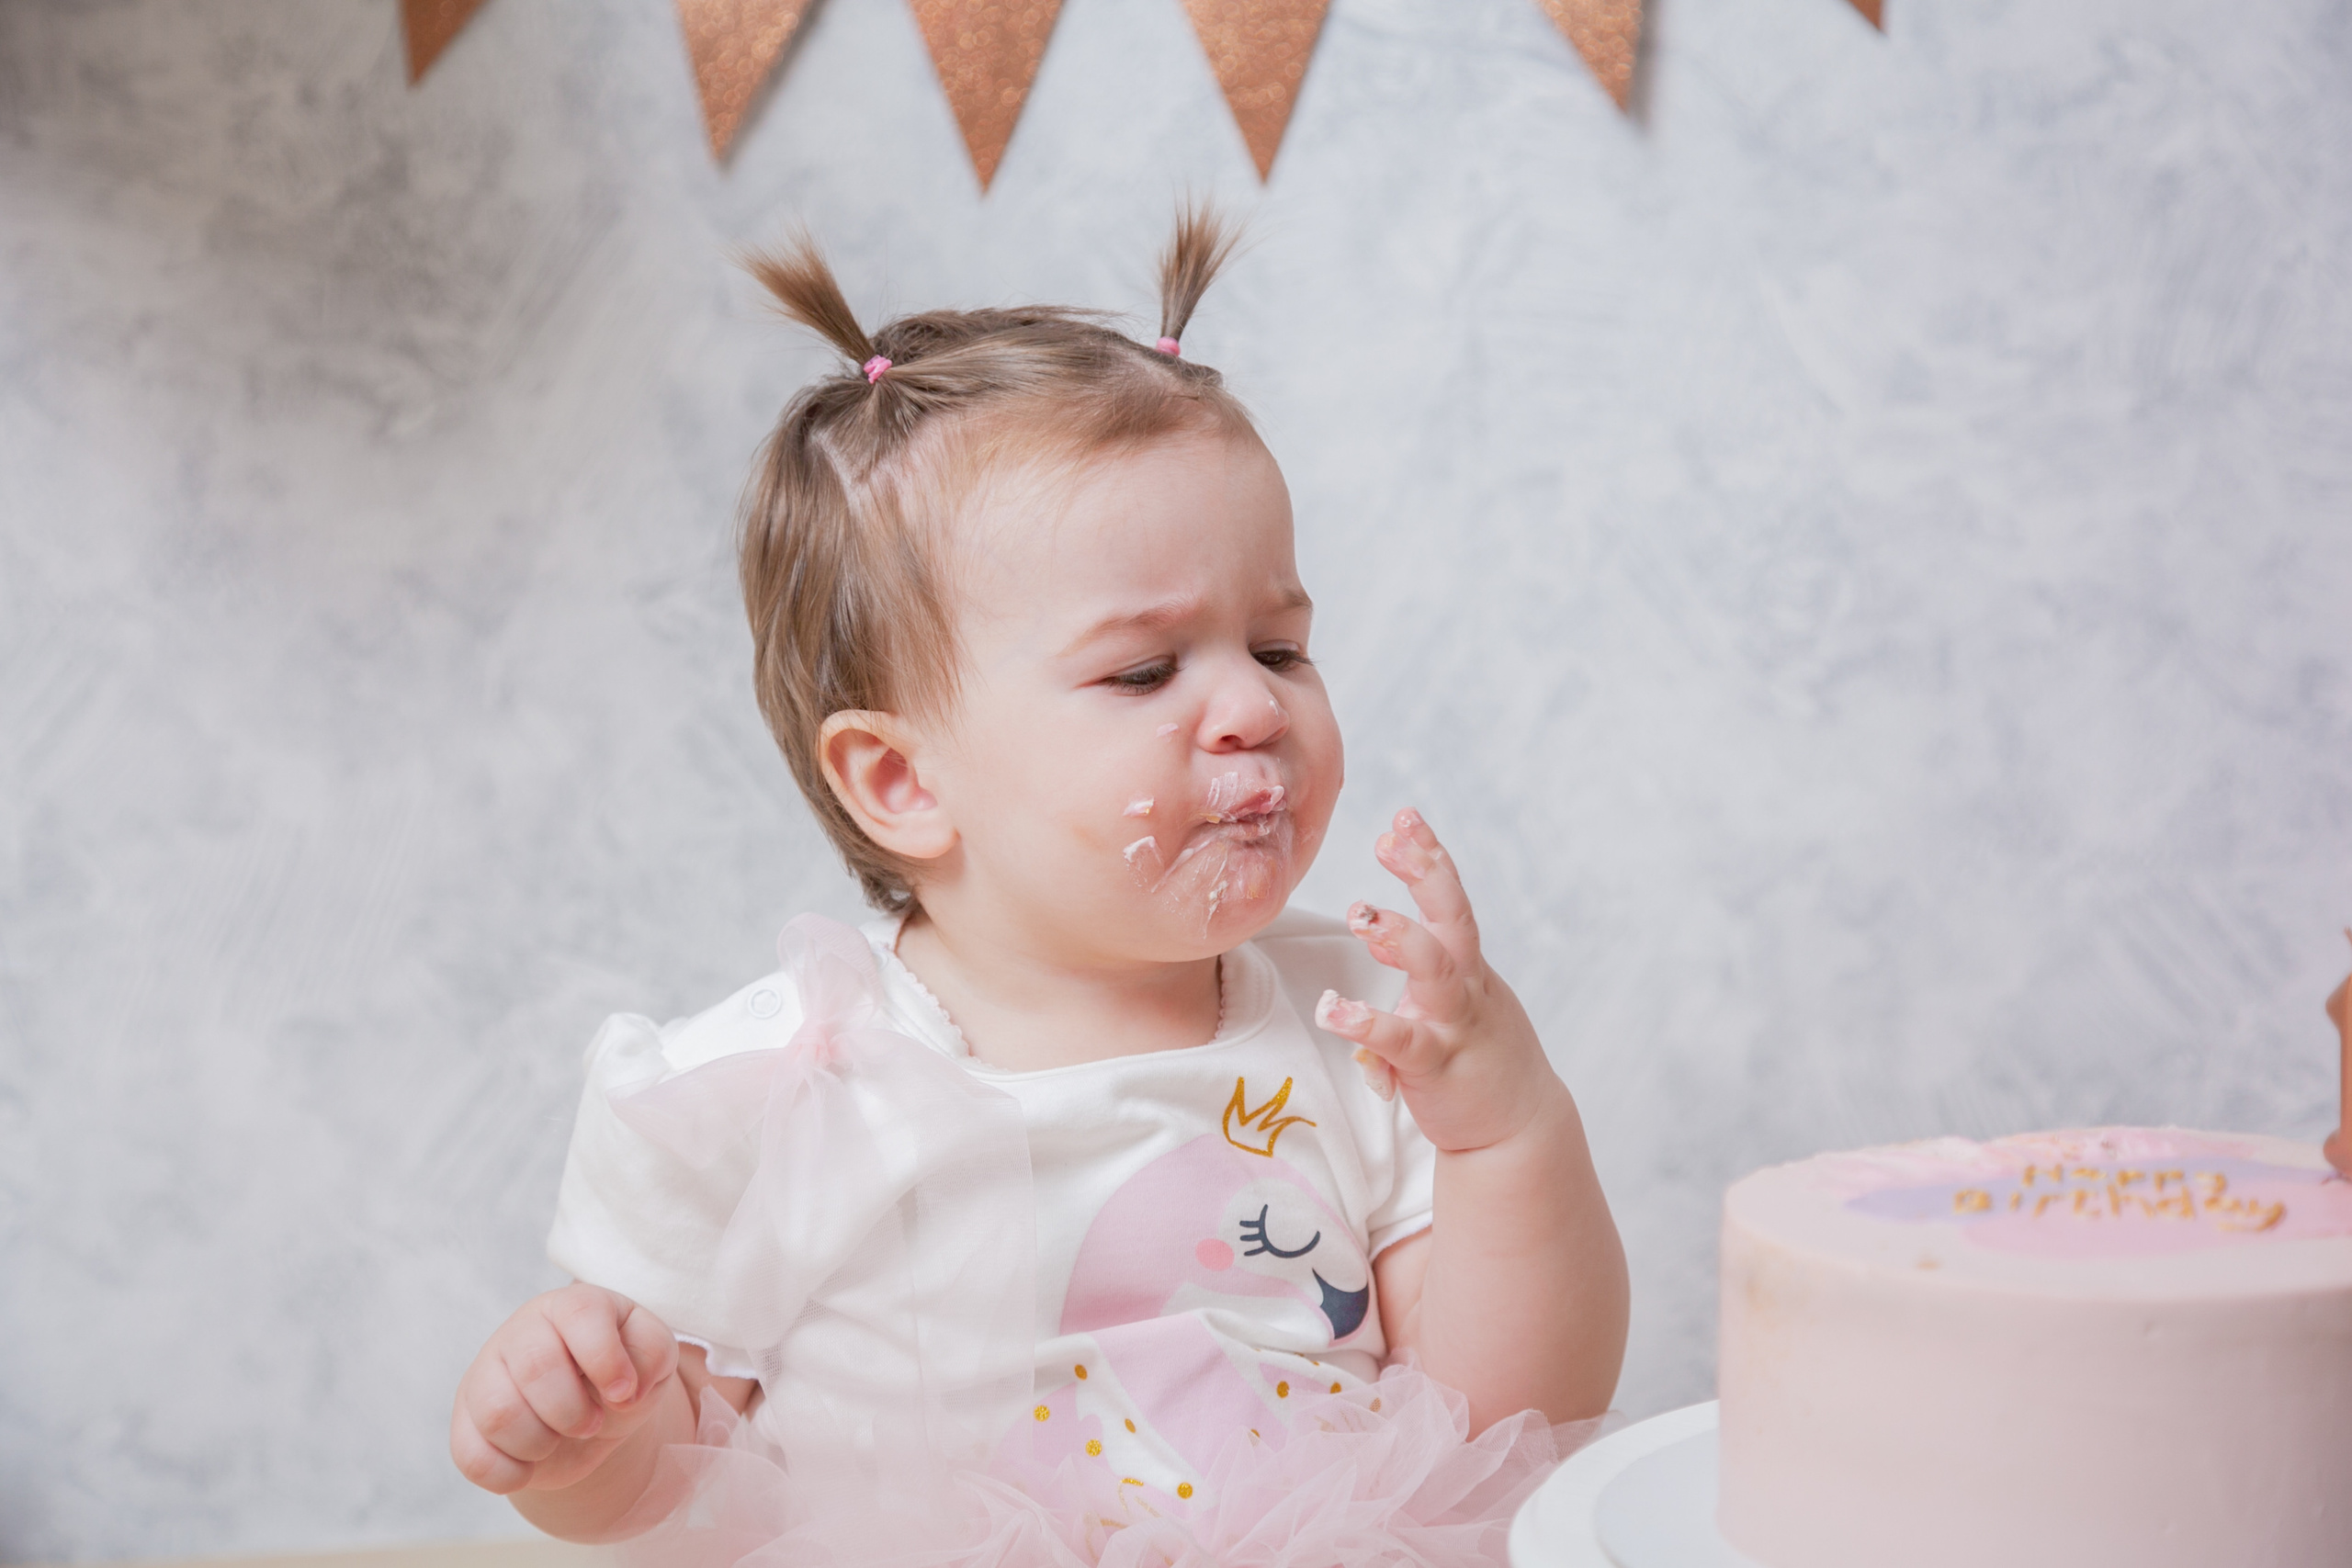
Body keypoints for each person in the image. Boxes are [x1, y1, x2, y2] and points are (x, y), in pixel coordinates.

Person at [448, 208, 1630, 1566]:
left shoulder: (1363, 1024)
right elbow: (681, 1494)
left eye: (1281, 647)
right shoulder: (774, 1089)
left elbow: (1504, 1429)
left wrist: (1507, 1134)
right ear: (901, 783)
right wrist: (588, 1444)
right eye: (1143, 671)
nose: (1249, 704)